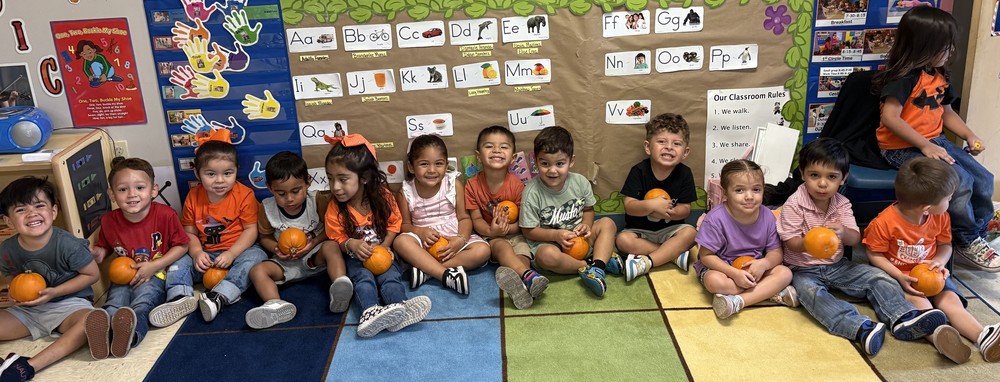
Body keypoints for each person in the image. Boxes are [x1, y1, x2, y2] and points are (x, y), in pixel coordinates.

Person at [779, 138, 949, 356]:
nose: (822, 184)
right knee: (812, 295)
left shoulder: (842, 204)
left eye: (832, 177)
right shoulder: (794, 204)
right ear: (802, 174)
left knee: (879, 277)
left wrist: (843, 232)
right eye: (814, 175)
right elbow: (790, 242)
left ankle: (901, 316)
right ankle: (861, 328)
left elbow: (854, 239)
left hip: (837, 265)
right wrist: (808, 243)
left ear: (843, 178)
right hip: (802, 269)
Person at [873, 7, 998, 271]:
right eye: (945, 46)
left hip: (933, 141)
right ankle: (966, 240)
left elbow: (946, 112)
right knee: (960, 182)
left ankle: (977, 232)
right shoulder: (903, 78)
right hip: (901, 147)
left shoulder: (939, 75)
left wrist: (969, 135)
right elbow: (890, 118)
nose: (950, 52)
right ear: (923, 46)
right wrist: (924, 145)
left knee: (984, 178)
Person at [864, 157, 1000, 363]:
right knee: (924, 310)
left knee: (951, 302)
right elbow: (874, 254)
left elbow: (946, 245)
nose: (950, 202)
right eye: (949, 199)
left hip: (933, 274)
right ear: (926, 208)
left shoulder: (940, 217)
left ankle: (982, 336)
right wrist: (898, 275)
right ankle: (942, 339)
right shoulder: (883, 223)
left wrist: (939, 261)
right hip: (902, 278)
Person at [148, 131, 267, 327]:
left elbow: (251, 230)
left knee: (257, 257)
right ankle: (179, 297)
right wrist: (196, 253)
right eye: (211, 174)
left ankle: (220, 296)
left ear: (236, 171)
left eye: (227, 173)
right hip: (207, 255)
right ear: (197, 173)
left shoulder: (244, 195)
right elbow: (189, 232)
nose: (220, 180)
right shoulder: (193, 197)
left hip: (238, 252)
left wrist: (231, 253)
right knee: (179, 259)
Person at [324, 134, 431, 337]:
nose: (335, 186)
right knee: (363, 279)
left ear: (364, 177)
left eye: (343, 179)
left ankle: (399, 307)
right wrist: (351, 244)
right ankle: (369, 311)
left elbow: (394, 224)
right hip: (356, 259)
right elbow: (336, 237)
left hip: (383, 253)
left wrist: (386, 245)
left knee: (391, 278)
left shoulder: (383, 197)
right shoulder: (335, 207)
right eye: (330, 178)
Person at [85, 158, 189, 359]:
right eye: (123, 189)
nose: (132, 194)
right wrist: (98, 253)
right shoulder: (109, 220)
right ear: (112, 194)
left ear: (153, 190)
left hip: (154, 275)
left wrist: (155, 265)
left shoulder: (165, 215)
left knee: (142, 304)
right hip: (122, 276)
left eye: (140, 188)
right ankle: (103, 336)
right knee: (114, 303)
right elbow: (105, 246)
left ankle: (130, 336)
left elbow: (182, 245)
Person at [0, 177, 101, 382]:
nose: (32, 213)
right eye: (21, 210)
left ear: (53, 211)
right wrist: (14, 293)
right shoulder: (7, 249)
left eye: (39, 205)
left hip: (69, 306)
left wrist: (55, 292)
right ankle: (5, 363)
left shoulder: (68, 245)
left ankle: (28, 366)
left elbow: (92, 275)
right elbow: (11, 277)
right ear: (8, 221)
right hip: (28, 310)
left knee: (90, 323)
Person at [245, 152, 353, 329]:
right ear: (270, 188)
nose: (289, 199)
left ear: (308, 182)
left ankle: (340, 284)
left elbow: (331, 230)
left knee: (332, 246)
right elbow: (264, 237)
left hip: (314, 256)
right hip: (284, 263)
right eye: (281, 193)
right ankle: (275, 304)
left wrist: (314, 242)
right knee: (257, 271)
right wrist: (277, 248)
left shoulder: (317, 200)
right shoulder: (267, 207)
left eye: (296, 191)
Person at [520, 126, 623, 297]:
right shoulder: (531, 192)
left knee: (608, 223)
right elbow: (528, 230)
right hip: (552, 244)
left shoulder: (580, 182)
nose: (552, 170)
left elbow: (588, 209)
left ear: (571, 161)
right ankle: (588, 265)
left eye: (560, 164)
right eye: (545, 164)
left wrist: (586, 225)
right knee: (546, 256)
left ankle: (598, 267)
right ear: (536, 162)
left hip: (581, 238)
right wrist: (555, 235)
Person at [694, 160, 797, 319]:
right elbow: (706, 256)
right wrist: (734, 273)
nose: (749, 196)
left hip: (755, 269)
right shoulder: (715, 219)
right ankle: (766, 292)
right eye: (739, 190)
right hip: (723, 269)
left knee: (785, 273)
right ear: (725, 193)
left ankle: (737, 302)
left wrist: (764, 263)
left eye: (756, 189)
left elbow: (776, 252)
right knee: (714, 282)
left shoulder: (768, 216)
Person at [394, 135, 490, 295]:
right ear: (411, 167)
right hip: (423, 243)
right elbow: (404, 225)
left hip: (452, 239)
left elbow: (464, 218)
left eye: (438, 163)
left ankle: (427, 271)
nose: (432, 170)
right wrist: (420, 232)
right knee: (400, 242)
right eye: (424, 164)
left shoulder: (453, 184)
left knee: (483, 250)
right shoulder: (406, 192)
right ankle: (443, 274)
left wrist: (461, 240)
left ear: (446, 165)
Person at [466, 126, 549, 309]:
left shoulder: (518, 186)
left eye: (503, 147)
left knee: (522, 255)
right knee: (503, 247)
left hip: (517, 234)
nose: (496, 150)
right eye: (489, 146)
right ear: (478, 156)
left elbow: (524, 221)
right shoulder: (472, 185)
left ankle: (521, 287)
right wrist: (492, 231)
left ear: (512, 158)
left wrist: (508, 229)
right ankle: (528, 276)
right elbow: (476, 219)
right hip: (491, 237)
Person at [615, 114, 698, 282]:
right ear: (648, 147)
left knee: (691, 233)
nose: (669, 147)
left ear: (685, 152)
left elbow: (685, 208)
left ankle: (647, 262)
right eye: (662, 142)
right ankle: (671, 255)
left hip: (670, 231)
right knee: (622, 240)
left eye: (676, 144)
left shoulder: (685, 173)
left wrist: (670, 212)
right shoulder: (639, 171)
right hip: (640, 232)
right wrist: (651, 206)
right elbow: (629, 206)